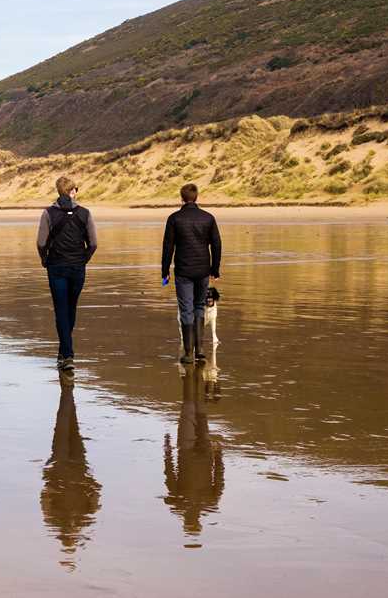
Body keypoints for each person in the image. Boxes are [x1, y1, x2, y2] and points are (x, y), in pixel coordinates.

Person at [36, 176, 98, 371]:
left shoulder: (48, 213)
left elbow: (41, 242)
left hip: (56, 267)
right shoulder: (85, 213)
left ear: (58, 191)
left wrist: (44, 259)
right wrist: (84, 259)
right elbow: (93, 243)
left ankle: (67, 353)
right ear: (72, 192)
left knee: (61, 309)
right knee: (71, 308)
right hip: (77, 267)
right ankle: (65, 352)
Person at [41, 374, 101, 569]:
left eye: (69, 540)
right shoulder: (81, 520)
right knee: (69, 427)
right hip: (75, 467)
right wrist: (91, 483)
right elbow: (95, 498)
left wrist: (50, 482)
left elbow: (45, 498)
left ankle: (67, 396)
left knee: (65, 426)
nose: (71, 536)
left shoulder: (55, 520)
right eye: (72, 540)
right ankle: (68, 396)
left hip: (64, 467)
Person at [160, 183, 221, 365]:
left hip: (184, 270)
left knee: (186, 308)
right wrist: (215, 269)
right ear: (196, 197)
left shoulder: (174, 218)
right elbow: (217, 245)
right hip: (203, 269)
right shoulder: (208, 218)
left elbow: (168, 247)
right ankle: (200, 350)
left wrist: (165, 271)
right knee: (199, 306)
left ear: (181, 198)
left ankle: (188, 353)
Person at [162, 367, 225, 537]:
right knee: (192, 407)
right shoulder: (201, 502)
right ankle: (194, 370)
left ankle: (195, 370)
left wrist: (219, 455)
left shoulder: (182, 502)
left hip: (196, 451)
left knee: (194, 408)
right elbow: (169, 473)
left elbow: (170, 474)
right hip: (195, 451)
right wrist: (167, 451)